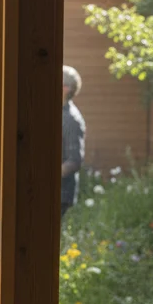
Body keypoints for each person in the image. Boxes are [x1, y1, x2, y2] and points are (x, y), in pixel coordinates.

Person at [61, 65, 86, 219]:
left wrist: (45, 179)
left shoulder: (70, 119)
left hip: (60, 194)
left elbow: (74, 161)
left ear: (65, 89)